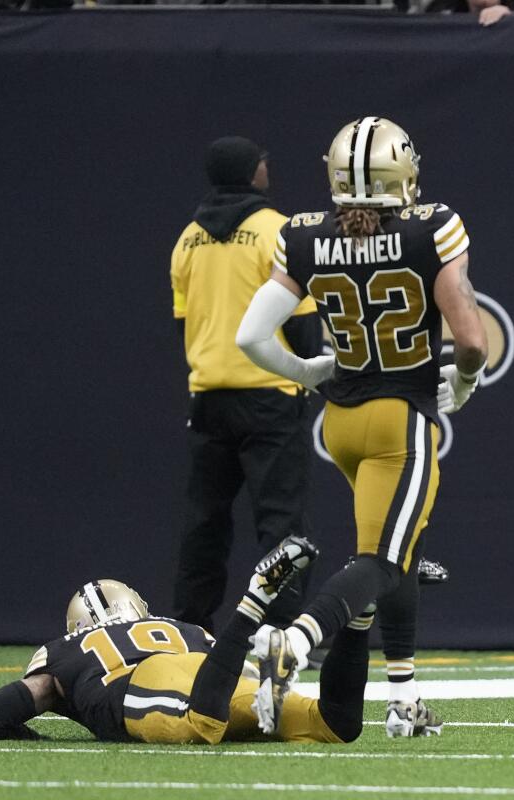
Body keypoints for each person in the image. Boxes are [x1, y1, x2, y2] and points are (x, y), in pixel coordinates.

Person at [235, 116, 488, 736]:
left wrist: (308, 371)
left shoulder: (303, 236)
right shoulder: (434, 228)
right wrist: (460, 383)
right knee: (382, 559)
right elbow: (474, 343)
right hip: (400, 421)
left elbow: (248, 335)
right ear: (401, 171)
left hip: (341, 421)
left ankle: (402, 698)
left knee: (399, 553)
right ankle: (293, 643)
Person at [0, 536, 375, 744]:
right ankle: (361, 613)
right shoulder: (185, 629)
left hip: (146, 681)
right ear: (136, 606)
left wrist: (48, 728)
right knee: (336, 724)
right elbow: (243, 670)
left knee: (201, 725)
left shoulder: (67, 649)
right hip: (213, 670)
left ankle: (254, 599)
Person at [170, 136, 323, 633]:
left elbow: (183, 321)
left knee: (204, 522)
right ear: (249, 171)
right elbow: (301, 321)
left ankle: (191, 625)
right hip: (270, 395)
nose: (266, 166)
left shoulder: (188, 238)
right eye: (262, 160)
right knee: (280, 522)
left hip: (209, 397)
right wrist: (308, 371)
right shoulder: (276, 231)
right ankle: (282, 628)